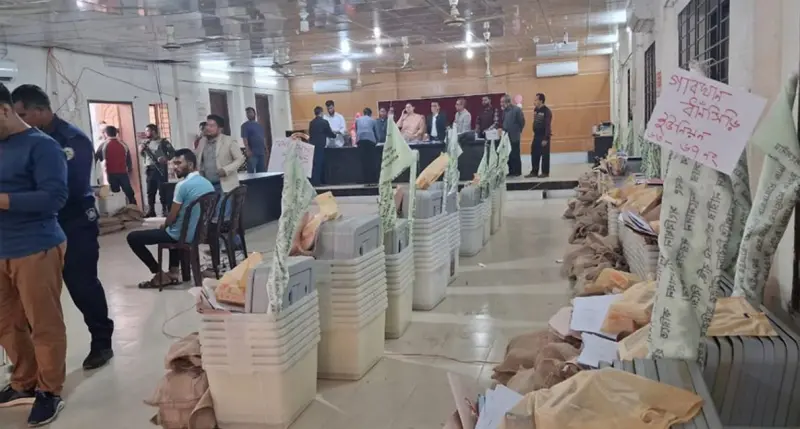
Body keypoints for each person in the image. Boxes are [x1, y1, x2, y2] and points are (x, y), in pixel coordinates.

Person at [11, 84, 116, 372]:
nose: (19, 121)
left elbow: (68, 188)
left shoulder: (72, 140)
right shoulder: (20, 141)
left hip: (74, 221)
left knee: (82, 285)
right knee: (33, 293)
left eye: (23, 114)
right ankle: (34, 356)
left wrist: (24, 196)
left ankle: (101, 341)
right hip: (36, 225)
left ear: (40, 110)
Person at [0, 82, 69, 426]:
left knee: (43, 323)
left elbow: (54, 197)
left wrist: (3, 200)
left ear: (4, 110)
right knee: (7, 323)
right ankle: (23, 381)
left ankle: (49, 390)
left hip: (35, 246)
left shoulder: (43, 147)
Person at [127, 149, 215, 289]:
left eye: (179, 163)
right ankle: (173, 272)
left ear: (190, 165)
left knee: (133, 237)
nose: (175, 167)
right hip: (198, 233)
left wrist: (165, 225)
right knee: (172, 229)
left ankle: (159, 273)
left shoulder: (182, 186)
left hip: (182, 235)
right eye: (174, 163)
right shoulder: (207, 184)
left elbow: (172, 216)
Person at [195, 114, 245, 195]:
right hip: (207, 186)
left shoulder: (229, 141)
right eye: (207, 125)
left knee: (224, 204)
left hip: (225, 186)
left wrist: (226, 170)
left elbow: (240, 159)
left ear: (220, 129)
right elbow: (198, 159)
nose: (207, 128)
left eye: (211, 126)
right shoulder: (202, 141)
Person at [95, 125, 136, 205]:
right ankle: (134, 208)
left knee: (115, 194)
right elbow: (128, 159)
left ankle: (118, 208)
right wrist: (129, 169)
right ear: (116, 133)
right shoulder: (123, 144)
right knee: (129, 193)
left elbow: (95, 159)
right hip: (123, 173)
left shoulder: (103, 145)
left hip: (110, 174)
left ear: (106, 134)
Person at [139, 124, 175, 217]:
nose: (146, 133)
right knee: (150, 191)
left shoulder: (163, 142)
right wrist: (141, 150)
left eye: (147, 131)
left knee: (162, 190)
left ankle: (165, 210)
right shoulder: (146, 143)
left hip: (160, 168)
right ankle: (151, 211)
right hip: (149, 169)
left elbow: (172, 152)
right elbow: (143, 156)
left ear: (153, 131)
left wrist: (165, 158)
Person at [308, 106, 336, 186]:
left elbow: (310, 133)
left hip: (312, 144)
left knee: (314, 163)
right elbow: (329, 133)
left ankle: (314, 181)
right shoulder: (324, 122)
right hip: (320, 144)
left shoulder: (312, 122)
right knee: (319, 163)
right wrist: (334, 135)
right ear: (321, 113)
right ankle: (318, 182)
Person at [529, 93, 553, 178]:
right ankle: (534, 171)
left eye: (536, 100)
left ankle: (545, 172)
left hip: (544, 136)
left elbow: (547, 125)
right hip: (536, 135)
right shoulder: (536, 110)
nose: (534, 101)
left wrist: (546, 138)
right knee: (534, 153)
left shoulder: (547, 111)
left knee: (545, 155)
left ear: (541, 101)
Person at [501, 94, 526, 177]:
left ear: (507, 102)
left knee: (515, 153)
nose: (501, 104)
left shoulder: (517, 110)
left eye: (502, 102)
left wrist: (518, 130)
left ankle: (517, 171)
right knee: (508, 154)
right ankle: (511, 171)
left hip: (514, 135)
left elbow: (522, 122)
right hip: (506, 136)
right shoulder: (504, 111)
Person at [355, 107, 380, 184]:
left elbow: (357, 130)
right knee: (371, 161)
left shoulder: (358, 120)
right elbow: (377, 133)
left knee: (363, 161)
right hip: (370, 141)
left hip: (360, 141)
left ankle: (364, 179)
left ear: (364, 113)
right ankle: (373, 179)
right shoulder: (373, 120)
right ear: (370, 114)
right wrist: (377, 140)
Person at [241, 107, 268, 174]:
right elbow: (245, 138)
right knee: (251, 171)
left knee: (262, 172)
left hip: (261, 152)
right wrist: (247, 149)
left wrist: (266, 148)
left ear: (254, 113)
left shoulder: (259, 125)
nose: (249, 114)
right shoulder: (245, 126)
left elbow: (263, 137)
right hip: (252, 152)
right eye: (247, 113)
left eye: (250, 112)